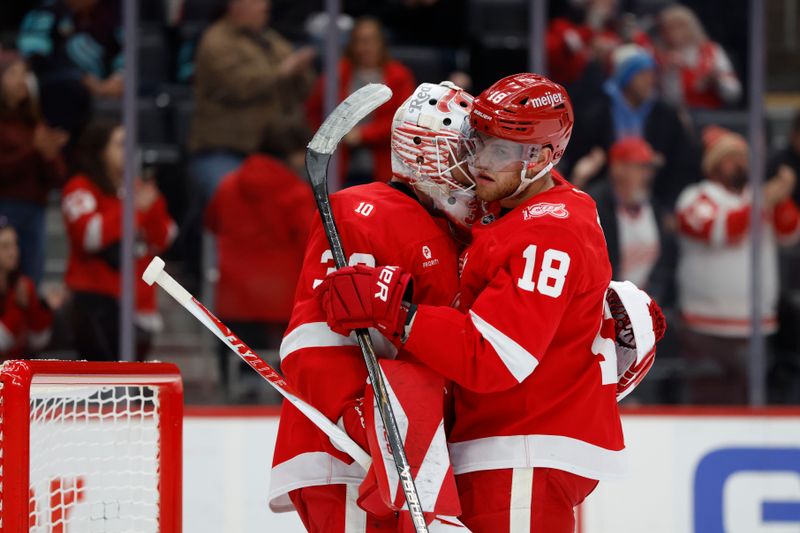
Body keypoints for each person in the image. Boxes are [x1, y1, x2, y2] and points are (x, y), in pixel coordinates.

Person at [319, 74, 665, 532]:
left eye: (501, 151)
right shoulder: (523, 216)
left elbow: (494, 355)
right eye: (477, 142)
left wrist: (394, 312)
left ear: (542, 157)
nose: (480, 161)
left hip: (521, 450)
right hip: (509, 449)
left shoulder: (549, 230)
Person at [271, 82, 483, 531]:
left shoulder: (451, 234)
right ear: (428, 156)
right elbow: (314, 342)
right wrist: (359, 421)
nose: (477, 169)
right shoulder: (361, 210)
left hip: (400, 445)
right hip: (348, 449)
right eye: (465, 155)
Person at [675, 126, 800, 404]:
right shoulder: (696, 197)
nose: (740, 163)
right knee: (710, 402)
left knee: (753, 403)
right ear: (714, 163)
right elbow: (721, 230)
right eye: (731, 157)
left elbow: (790, 232)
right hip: (706, 328)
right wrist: (766, 200)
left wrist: (782, 199)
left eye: (743, 156)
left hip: (757, 325)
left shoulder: (759, 197)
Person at [205, 123, 316, 396]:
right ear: (291, 153)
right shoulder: (296, 193)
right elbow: (310, 242)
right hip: (281, 302)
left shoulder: (229, 184)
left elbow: (211, 221)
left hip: (233, 298)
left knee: (234, 365)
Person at [62, 121, 176, 361]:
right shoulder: (80, 188)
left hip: (139, 304)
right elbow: (89, 236)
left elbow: (165, 236)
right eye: (120, 144)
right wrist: (134, 210)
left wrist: (146, 209)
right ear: (101, 150)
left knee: (133, 389)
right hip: (96, 303)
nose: (128, 150)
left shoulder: (137, 189)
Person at [188, 0, 315, 201]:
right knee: (231, 199)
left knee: (310, 194)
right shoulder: (216, 41)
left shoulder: (271, 39)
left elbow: (304, 88)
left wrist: (299, 72)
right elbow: (239, 86)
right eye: (256, 3)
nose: (265, 7)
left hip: (277, 149)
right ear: (235, 6)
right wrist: (283, 72)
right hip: (227, 149)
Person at [565, 44, 700, 209]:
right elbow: (579, 155)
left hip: (656, 199)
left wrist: (669, 205)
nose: (650, 80)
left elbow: (682, 163)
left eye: (651, 74)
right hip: (604, 201)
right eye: (642, 74)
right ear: (625, 77)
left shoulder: (667, 115)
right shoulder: (595, 114)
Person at [306, 16, 416, 187]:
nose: (365, 47)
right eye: (360, 41)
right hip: (340, 164)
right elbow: (315, 109)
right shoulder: (338, 73)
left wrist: (363, 134)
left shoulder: (399, 75)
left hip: (382, 164)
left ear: (381, 43)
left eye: (370, 40)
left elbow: (403, 121)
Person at [0, 51, 68, 285]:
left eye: (25, 74)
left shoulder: (34, 122)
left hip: (35, 211)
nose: (22, 80)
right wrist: (34, 150)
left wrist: (49, 154)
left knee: (30, 283)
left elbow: (58, 176)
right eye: (14, 74)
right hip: (6, 208)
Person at [589, 137, 677, 305]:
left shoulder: (653, 207)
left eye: (649, 169)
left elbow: (665, 260)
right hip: (605, 306)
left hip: (643, 305)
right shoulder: (595, 206)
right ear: (617, 168)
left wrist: (653, 295)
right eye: (640, 168)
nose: (647, 175)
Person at [657, 5, 741, 109]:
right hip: (681, 117)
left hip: (714, 115)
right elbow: (670, 102)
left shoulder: (712, 50)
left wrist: (717, 82)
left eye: (680, 26)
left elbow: (734, 93)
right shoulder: (661, 56)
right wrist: (671, 73)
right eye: (669, 28)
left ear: (691, 27)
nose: (674, 33)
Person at [0, 219, 53, 359]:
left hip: (19, 371)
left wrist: (44, 307)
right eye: (5, 246)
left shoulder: (24, 285)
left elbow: (38, 340)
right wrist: (18, 308)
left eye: (15, 244)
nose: (14, 252)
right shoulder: (19, 292)